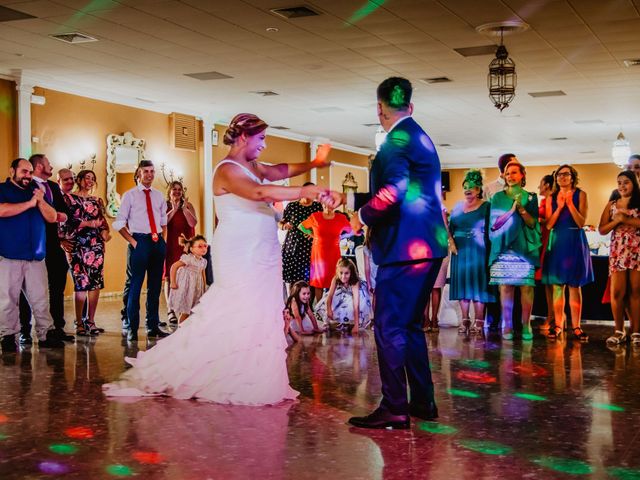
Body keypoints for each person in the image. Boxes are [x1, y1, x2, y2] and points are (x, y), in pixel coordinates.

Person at [104, 113, 333, 404]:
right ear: (242, 137)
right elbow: (259, 192)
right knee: (236, 310)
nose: (264, 145)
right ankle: (218, 373)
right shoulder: (226, 169)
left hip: (261, 251)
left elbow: (277, 171)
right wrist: (304, 191)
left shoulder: (250, 166)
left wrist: (313, 164)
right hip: (240, 251)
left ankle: (252, 375)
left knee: (259, 311)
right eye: (260, 139)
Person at [329, 77, 448, 429]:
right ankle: (422, 402)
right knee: (408, 326)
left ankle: (396, 406)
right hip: (427, 247)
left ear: (378, 109)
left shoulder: (395, 141)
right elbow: (403, 191)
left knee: (389, 326)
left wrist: (361, 216)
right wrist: (349, 199)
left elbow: (393, 192)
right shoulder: (417, 135)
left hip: (405, 251)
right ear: (409, 106)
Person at [0, 158, 65, 352]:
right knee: (8, 298)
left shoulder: (37, 191)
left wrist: (40, 200)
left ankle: (46, 333)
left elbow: (52, 217)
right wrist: (30, 204)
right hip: (9, 255)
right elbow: (2, 210)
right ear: (13, 171)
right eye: (24, 172)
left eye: (30, 172)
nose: (27, 176)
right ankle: (8, 335)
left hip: (36, 257)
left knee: (40, 298)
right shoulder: (2, 189)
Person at [19, 154, 74, 345]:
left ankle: (56, 328)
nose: (52, 166)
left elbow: (64, 214)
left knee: (57, 286)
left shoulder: (51, 187)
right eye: (49, 163)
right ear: (40, 166)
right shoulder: (26, 186)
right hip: (31, 244)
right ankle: (24, 330)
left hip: (53, 243)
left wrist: (56, 215)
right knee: (26, 289)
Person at [113, 160, 170, 342]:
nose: (150, 175)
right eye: (146, 171)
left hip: (157, 241)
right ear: (138, 173)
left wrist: (162, 241)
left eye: (152, 171)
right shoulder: (129, 196)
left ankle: (153, 326)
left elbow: (163, 222)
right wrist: (133, 242)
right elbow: (119, 223)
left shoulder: (159, 196)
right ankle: (132, 327)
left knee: (155, 287)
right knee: (135, 286)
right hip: (139, 241)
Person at [488, 160, 541, 341]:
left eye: (514, 173)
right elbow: (494, 224)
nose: (510, 176)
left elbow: (533, 223)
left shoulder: (532, 197)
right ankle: (507, 325)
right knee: (506, 287)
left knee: (527, 287)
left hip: (524, 247)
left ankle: (526, 325)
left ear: (522, 175)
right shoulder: (497, 198)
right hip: (504, 247)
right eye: (507, 173)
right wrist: (511, 210)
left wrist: (521, 209)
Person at [542, 165, 593, 341]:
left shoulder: (581, 194)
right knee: (557, 285)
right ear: (556, 178)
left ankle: (577, 326)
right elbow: (548, 224)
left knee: (574, 285)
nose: (563, 177)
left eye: (566, 174)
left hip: (575, 239)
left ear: (572, 177)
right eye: (559, 175)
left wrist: (570, 204)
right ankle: (557, 325)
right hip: (557, 240)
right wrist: (559, 207)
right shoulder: (551, 197)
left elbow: (581, 222)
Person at [60, 170, 111, 336]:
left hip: (95, 245)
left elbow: (102, 221)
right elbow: (67, 221)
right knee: (81, 282)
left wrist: (105, 232)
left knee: (95, 283)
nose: (90, 181)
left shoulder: (97, 200)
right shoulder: (69, 198)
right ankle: (79, 322)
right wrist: (89, 223)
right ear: (79, 179)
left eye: (93, 178)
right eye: (87, 178)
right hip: (77, 244)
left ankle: (91, 321)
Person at [448, 169, 495, 335]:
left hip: (479, 249)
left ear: (479, 189)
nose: (468, 190)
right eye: (466, 186)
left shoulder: (487, 206)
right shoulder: (458, 206)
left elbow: (493, 230)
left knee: (478, 285)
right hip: (459, 251)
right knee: (463, 285)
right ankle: (465, 319)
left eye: (472, 187)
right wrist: (451, 241)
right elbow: (449, 228)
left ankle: (479, 320)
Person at [598, 170, 640, 346]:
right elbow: (602, 229)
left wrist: (626, 219)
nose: (622, 186)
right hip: (618, 251)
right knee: (617, 292)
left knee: (635, 291)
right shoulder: (612, 204)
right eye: (619, 182)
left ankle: (636, 331)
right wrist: (616, 221)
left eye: (626, 182)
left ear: (634, 183)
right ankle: (618, 330)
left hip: (637, 249)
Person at [279, 185, 323, 294]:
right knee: (293, 279)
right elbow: (281, 222)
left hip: (310, 248)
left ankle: (308, 306)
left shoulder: (317, 207)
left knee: (310, 279)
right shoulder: (292, 206)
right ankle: (292, 304)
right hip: (292, 246)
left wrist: (314, 234)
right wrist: (284, 226)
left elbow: (321, 226)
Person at [164, 180, 197, 325]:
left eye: (179, 189)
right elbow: (162, 222)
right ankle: (170, 309)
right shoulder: (165, 206)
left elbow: (193, 223)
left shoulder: (189, 206)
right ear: (169, 192)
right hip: (171, 244)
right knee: (169, 276)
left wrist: (183, 209)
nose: (177, 192)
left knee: (187, 275)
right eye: (174, 189)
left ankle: (185, 308)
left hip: (187, 246)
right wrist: (173, 208)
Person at [299, 206, 352, 297]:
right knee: (318, 282)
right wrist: (312, 234)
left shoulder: (340, 218)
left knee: (335, 280)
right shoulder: (315, 216)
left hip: (334, 254)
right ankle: (319, 308)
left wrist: (342, 237)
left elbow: (351, 230)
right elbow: (301, 226)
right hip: (318, 254)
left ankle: (333, 306)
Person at [315, 258, 372, 333]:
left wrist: (356, 325)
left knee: (352, 306)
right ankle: (340, 322)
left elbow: (356, 304)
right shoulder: (335, 279)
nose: (343, 276)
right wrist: (329, 310)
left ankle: (353, 323)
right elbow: (330, 296)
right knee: (331, 305)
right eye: (341, 273)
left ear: (351, 273)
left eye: (346, 273)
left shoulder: (355, 281)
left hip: (355, 295)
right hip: (342, 293)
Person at [168, 234, 208, 324]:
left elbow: (202, 274)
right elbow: (174, 266)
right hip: (187, 288)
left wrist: (204, 287)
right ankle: (181, 329)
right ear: (192, 249)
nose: (203, 248)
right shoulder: (188, 258)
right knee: (186, 311)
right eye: (200, 246)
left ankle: (189, 330)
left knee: (194, 310)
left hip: (196, 289)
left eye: (205, 246)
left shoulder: (203, 261)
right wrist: (173, 282)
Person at [536, 173, 555, 331]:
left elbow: (549, 220)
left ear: (547, 185)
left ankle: (554, 316)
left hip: (550, 239)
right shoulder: (544, 200)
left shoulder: (550, 200)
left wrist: (539, 220)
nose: (538, 187)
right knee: (547, 282)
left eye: (541, 184)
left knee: (552, 281)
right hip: (542, 239)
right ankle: (552, 315)